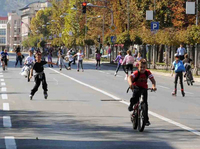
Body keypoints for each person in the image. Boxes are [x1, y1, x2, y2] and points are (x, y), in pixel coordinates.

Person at [127, 59, 157, 126]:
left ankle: (146, 120)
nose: (142, 69)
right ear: (138, 67)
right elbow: (129, 77)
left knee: (145, 104)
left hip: (144, 88)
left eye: (144, 67)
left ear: (146, 67)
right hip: (136, 87)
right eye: (141, 67)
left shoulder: (147, 72)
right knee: (134, 99)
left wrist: (154, 86)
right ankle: (131, 105)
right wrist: (130, 84)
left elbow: (153, 80)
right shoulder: (136, 73)